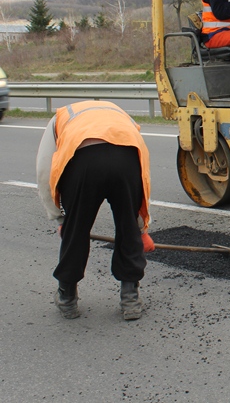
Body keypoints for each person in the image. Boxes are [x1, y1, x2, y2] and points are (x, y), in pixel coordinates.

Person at [36, 100, 155, 321]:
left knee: (76, 231)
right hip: (126, 159)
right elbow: (143, 173)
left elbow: (45, 170)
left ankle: (67, 299)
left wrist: (61, 220)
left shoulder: (61, 117)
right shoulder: (121, 115)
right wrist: (140, 228)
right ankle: (130, 298)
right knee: (127, 228)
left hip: (83, 161)